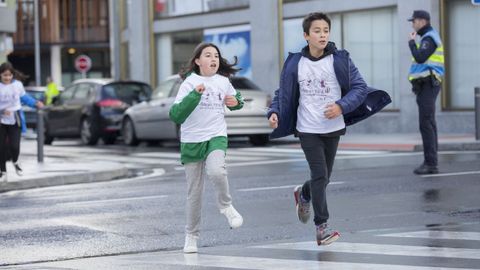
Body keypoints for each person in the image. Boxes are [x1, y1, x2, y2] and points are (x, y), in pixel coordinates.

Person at [267, 12, 391, 246]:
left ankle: (304, 193)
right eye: (317, 31)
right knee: (320, 174)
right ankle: (321, 227)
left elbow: (360, 88)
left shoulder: (340, 60)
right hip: (307, 128)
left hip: (333, 126)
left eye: (325, 30)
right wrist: (274, 112)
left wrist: (341, 106)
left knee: (323, 178)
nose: (322, 35)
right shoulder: (296, 63)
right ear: (306, 36)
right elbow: (281, 92)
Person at [169, 42, 245, 253]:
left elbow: (237, 100)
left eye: (216, 56)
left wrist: (235, 102)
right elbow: (176, 115)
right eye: (208, 55)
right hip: (192, 140)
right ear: (197, 61)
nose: (214, 59)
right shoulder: (189, 83)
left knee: (217, 171)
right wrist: (195, 95)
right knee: (195, 193)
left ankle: (226, 206)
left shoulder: (223, 81)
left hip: (216, 136)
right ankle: (191, 236)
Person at [407, 10, 444, 175]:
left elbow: (421, 57)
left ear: (422, 21)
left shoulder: (429, 38)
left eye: (413, 21)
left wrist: (411, 43)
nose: (413, 24)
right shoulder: (428, 37)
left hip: (429, 83)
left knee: (426, 123)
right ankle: (432, 161)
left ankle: (430, 163)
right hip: (426, 84)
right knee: (429, 123)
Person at [0, 62, 44, 182]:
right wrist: (2, 111)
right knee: (1, 147)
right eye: (5, 75)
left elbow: (25, 98)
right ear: (0, 75)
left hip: (15, 119)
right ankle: (3, 171)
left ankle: (15, 161)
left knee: (14, 146)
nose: (7, 78)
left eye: (9, 75)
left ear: (12, 75)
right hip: (1, 121)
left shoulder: (17, 85)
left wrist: (35, 103)